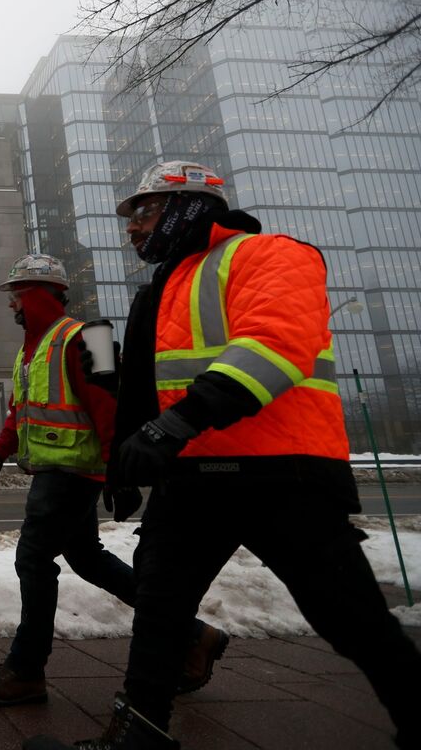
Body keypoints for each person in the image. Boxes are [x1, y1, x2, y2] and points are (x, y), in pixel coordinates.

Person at [25, 161, 421, 750]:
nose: (132, 229)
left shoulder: (272, 255)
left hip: (281, 472)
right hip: (193, 476)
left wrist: (172, 427)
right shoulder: (161, 288)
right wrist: (116, 415)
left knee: (348, 616)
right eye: (131, 218)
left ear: (189, 204)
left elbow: (273, 348)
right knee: (159, 611)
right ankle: (139, 734)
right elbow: (155, 385)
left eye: (145, 211)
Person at [0, 253, 227, 707]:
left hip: (73, 472)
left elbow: (112, 409)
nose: (12, 307)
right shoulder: (33, 348)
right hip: (58, 470)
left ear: (38, 296)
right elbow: (21, 410)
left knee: (33, 560)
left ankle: (27, 670)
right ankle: (192, 635)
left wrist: (117, 474)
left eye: (17, 297)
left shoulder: (89, 337)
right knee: (86, 559)